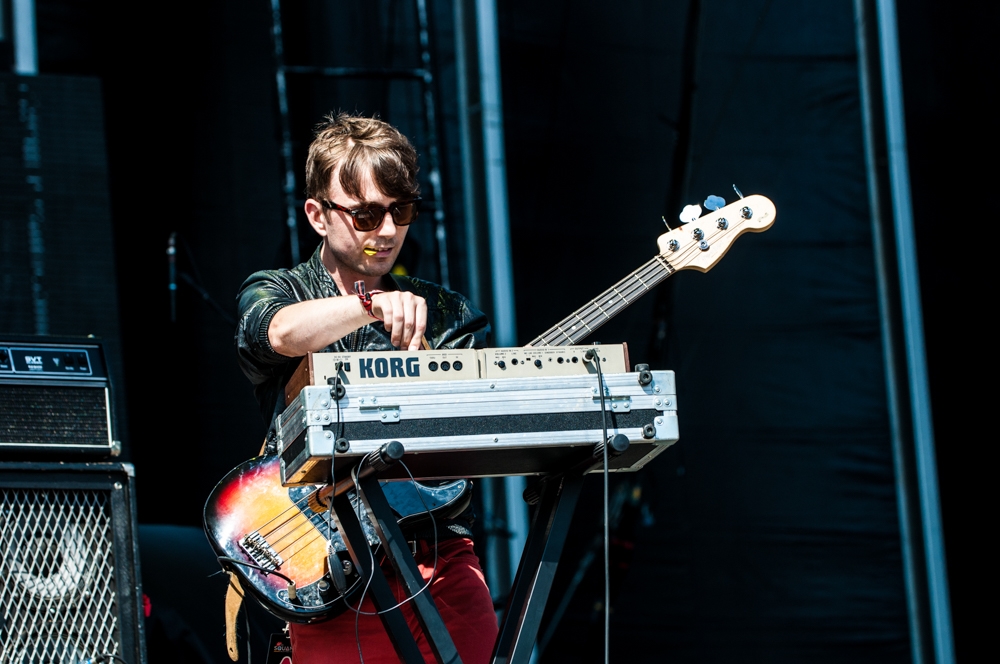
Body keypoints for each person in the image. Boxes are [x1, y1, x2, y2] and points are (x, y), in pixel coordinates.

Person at [235, 113, 498, 663]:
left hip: (437, 554)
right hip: (329, 561)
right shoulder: (278, 290)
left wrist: (423, 364)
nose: (384, 231)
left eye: (399, 212)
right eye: (364, 213)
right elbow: (277, 333)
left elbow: (459, 446)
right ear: (318, 214)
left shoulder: (447, 314)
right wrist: (367, 304)